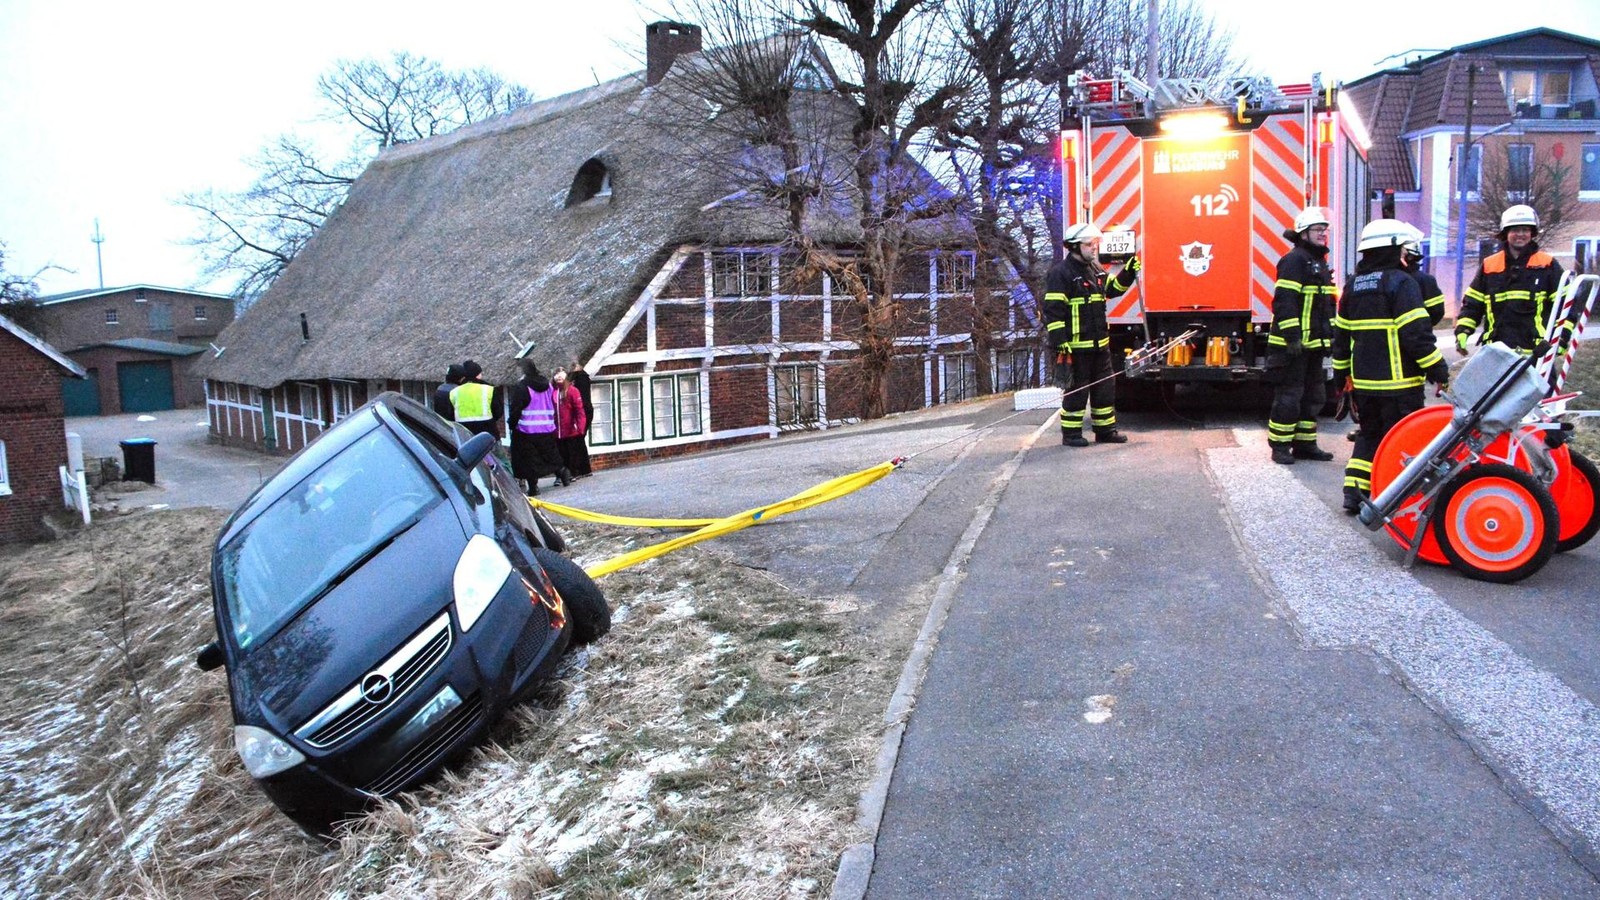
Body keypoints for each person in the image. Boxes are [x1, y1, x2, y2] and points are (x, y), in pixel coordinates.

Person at [1332, 219, 1449, 514]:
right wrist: (1437, 368)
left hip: (1366, 386)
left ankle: (1354, 493)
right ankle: (1398, 495)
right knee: (1403, 439)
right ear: (1392, 249)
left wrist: (1341, 376)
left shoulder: (1353, 285)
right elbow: (1416, 334)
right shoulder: (1402, 283)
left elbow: (1341, 336)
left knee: (1369, 435)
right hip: (1401, 384)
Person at [1043, 223, 1140, 447]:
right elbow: (1053, 312)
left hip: (1100, 346)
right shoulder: (1061, 274)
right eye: (1089, 244)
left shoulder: (1095, 269)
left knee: (1105, 390)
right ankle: (1071, 435)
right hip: (1076, 347)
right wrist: (1060, 343)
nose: (1094, 248)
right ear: (1075, 247)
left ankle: (1105, 431)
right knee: (1076, 392)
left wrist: (1128, 271)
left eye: (1095, 244)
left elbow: (1113, 288)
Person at [1266, 207, 1338, 465]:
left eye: (1324, 230)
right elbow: (1285, 302)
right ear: (1303, 233)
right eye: (1318, 230)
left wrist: (1329, 337)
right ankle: (1280, 446)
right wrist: (1293, 337)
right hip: (1292, 346)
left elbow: (1325, 306)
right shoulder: (1294, 260)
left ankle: (1305, 444)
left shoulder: (1317, 262)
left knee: (1313, 396)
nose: (1323, 234)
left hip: (1313, 345)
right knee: (1289, 397)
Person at [1454, 204, 1566, 357]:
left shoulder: (1547, 264)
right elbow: (1473, 304)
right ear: (1505, 233)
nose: (1520, 234)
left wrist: (1562, 338)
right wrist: (1463, 330)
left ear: (1532, 233)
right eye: (1515, 230)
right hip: (1496, 352)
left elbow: (1565, 306)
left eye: (1525, 230)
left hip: (1536, 353)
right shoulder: (1489, 265)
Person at [507, 358, 570, 495]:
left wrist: (512, 423)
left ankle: (533, 487)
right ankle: (563, 472)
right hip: (546, 427)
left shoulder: (522, 387)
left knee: (528, 459)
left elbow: (516, 408)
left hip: (527, 429)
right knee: (550, 454)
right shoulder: (547, 385)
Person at [552, 368, 591, 479]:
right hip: (558, 430)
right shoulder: (554, 392)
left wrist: (580, 426)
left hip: (571, 429)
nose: (559, 378)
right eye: (557, 375)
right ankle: (564, 475)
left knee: (571, 454)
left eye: (561, 375)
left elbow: (579, 410)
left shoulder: (573, 391)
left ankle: (573, 473)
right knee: (561, 453)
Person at [449, 360, 503, 438]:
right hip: (488, 432)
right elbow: (498, 412)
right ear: (477, 375)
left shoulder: (454, 392)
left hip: (465, 435)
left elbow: (451, 415)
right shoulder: (489, 389)